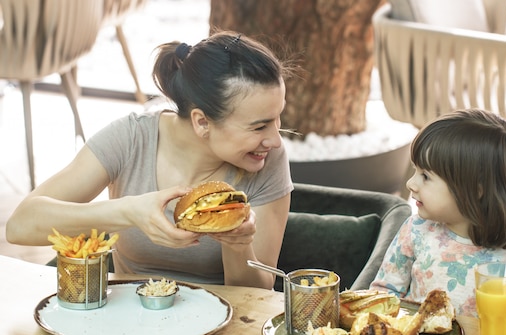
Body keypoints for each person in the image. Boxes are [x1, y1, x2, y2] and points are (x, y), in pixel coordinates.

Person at [6, 32, 293, 289]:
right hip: (130, 323)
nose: (276, 140)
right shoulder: (131, 139)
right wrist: (128, 212)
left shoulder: (269, 159)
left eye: (278, 118)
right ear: (202, 122)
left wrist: (238, 244)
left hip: (223, 329)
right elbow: (20, 226)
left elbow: (256, 296)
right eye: (259, 126)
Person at [370, 109, 506, 334]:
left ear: (477, 190)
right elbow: (384, 295)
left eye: (426, 176)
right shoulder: (415, 230)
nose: (411, 183)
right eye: (415, 171)